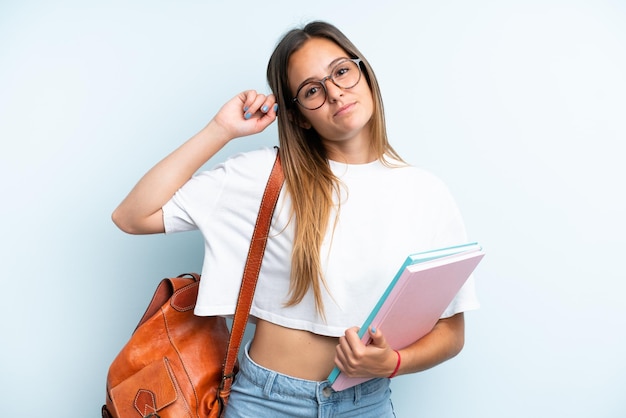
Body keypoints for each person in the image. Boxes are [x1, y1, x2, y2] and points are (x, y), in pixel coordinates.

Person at [112, 20, 479, 417]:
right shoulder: (263, 175)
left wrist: (391, 364)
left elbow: (451, 333)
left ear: (365, 74)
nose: (336, 93)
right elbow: (132, 216)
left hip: (366, 404)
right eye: (312, 91)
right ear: (300, 115)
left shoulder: (427, 193)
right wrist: (220, 130)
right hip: (265, 403)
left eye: (341, 71)